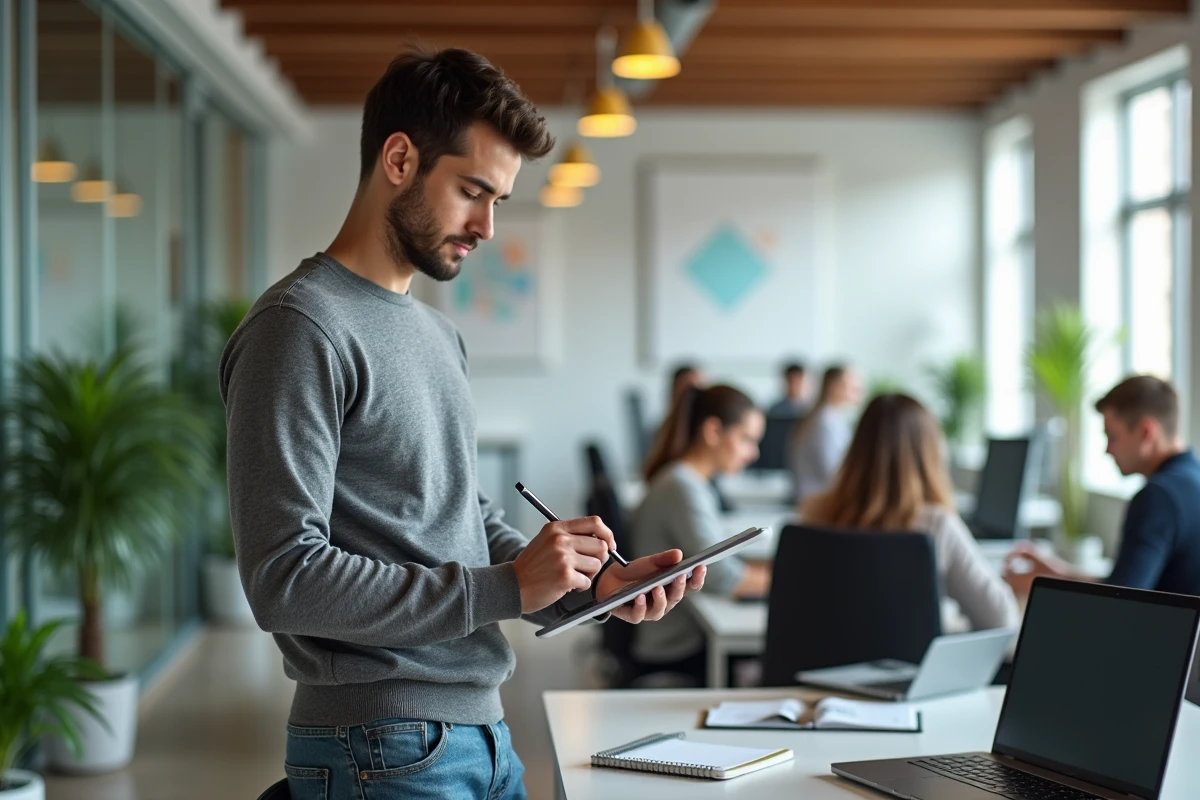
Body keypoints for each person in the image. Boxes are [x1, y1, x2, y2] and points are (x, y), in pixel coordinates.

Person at [220, 48, 705, 800]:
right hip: (378, 745)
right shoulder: (300, 328)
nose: (485, 225)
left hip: (481, 734)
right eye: (472, 191)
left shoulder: (437, 334)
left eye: (499, 201)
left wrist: (586, 583)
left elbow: (458, 516)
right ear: (400, 158)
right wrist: (506, 587)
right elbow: (283, 578)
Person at [803, 394, 1019, 631]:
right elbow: (1002, 620)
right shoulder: (936, 526)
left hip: (815, 668)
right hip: (913, 668)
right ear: (928, 454)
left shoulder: (813, 517)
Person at [1004, 376, 1200, 598]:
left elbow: (1119, 602)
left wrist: (1041, 586)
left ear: (1147, 432)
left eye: (1112, 437)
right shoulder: (1192, 479)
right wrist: (1057, 573)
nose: (1108, 450)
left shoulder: (1158, 498)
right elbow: (1122, 585)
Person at [631, 385, 773, 684]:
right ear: (713, 431)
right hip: (676, 648)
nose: (753, 453)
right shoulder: (682, 487)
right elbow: (722, 576)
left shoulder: (686, 481)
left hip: (679, 636)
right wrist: (793, 579)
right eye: (747, 439)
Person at [788, 364, 861, 504]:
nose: (857, 391)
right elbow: (833, 472)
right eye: (851, 387)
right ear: (833, 386)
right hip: (819, 502)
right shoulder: (823, 423)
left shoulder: (832, 418)